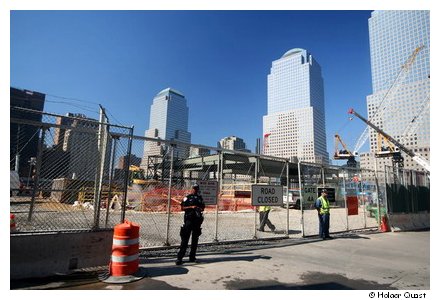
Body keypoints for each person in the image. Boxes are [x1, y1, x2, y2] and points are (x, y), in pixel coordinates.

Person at [176, 183, 205, 265]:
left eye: (196, 188)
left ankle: (192, 257)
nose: (195, 190)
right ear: (191, 189)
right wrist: (191, 207)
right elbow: (182, 208)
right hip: (189, 221)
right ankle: (180, 258)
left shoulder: (200, 198)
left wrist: (199, 208)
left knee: (195, 240)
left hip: (197, 221)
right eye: (194, 188)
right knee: (185, 240)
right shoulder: (187, 198)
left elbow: (203, 207)